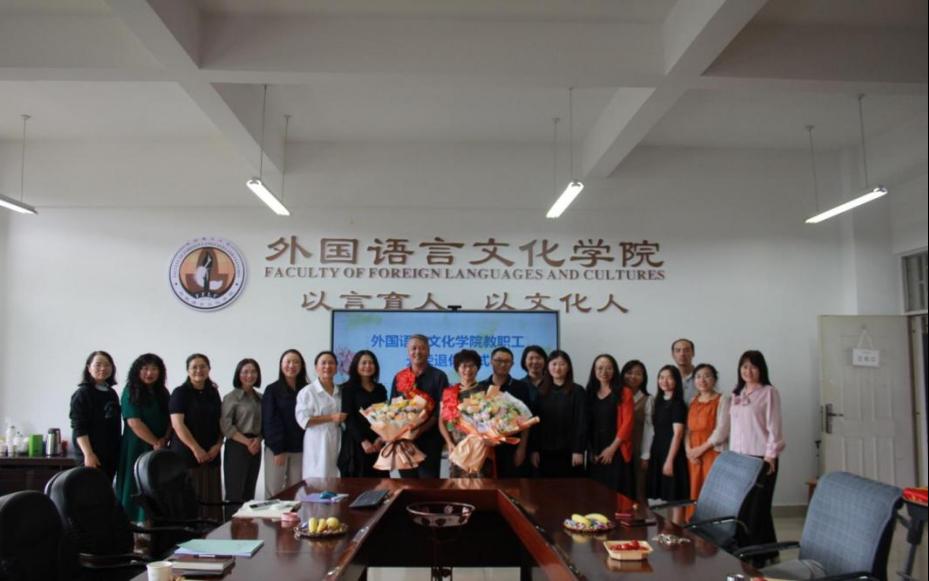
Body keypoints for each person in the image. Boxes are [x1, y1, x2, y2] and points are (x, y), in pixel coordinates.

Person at [729, 350, 785, 565]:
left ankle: (756, 557)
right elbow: (735, 429)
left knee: (756, 508)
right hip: (740, 458)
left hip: (762, 458)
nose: (748, 371)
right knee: (746, 507)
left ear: (761, 369)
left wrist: (770, 456)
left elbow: (774, 427)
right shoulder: (737, 393)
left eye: (753, 366)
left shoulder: (769, 392)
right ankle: (768, 552)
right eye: (744, 366)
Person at [115, 353, 170, 522]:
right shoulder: (130, 391)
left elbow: (171, 419)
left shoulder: (162, 392)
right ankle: (135, 527)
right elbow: (134, 422)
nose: (149, 373)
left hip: (159, 447)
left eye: (154, 369)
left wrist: (164, 439)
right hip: (137, 446)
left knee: (156, 486)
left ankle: (155, 526)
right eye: (145, 369)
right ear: (137, 371)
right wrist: (156, 442)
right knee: (135, 484)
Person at [168, 353, 222, 521]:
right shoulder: (180, 393)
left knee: (211, 497)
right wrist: (196, 448)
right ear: (188, 370)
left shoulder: (213, 392)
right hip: (187, 454)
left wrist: (218, 444)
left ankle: (211, 531)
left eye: (203, 366)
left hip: (212, 453)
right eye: (194, 367)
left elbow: (221, 421)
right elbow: (177, 424)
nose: (199, 370)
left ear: (209, 369)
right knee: (191, 498)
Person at [390, 334, 449, 478]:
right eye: (413, 348)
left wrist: (419, 430)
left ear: (428, 351)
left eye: (422, 348)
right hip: (404, 441)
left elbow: (439, 412)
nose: (417, 352)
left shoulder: (439, 376)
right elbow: (393, 408)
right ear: (408, 352)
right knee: (407, 483)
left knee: (429, 484)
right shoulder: (399, 377)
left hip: (430, 440)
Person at [530, 350, 586, 478]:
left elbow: (581, 422)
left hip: (570, 452)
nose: (557, 368)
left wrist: (578, 450)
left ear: (568, 367)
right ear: (548, 367)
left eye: (562, 364)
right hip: (544, 452)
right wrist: (534, 450)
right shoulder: (541, 391)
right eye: (554, 364)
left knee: (570, 488)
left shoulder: (577, 391)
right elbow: (535, 424)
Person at [478, 347, 532, 477]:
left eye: (507, 361)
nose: (503, 364)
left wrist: (522, 448)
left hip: (512, 446)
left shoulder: (521, 387)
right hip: (486, 447)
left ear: (512, 364)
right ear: (491, 361)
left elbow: (526, 421)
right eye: (498, 360)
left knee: (511, 485)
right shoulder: (481, 387)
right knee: (487, 484)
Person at [585, 354, 635, 498]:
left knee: (617, 495)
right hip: (596, 451)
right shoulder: (589, 393)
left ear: (615, 370)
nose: (604, 372)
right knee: (596, 495)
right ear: (594, 371)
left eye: (608, 368)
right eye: (600, 368)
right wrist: (590, 449)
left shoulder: (624, 392)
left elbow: (628, 423)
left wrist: (612, 449)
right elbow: (586, 424)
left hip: (617, 449)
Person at [262, 349, 308, 497]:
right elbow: (269, 420)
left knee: (296, 490)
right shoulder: (272, 390)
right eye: (288, 362)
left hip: (300, 448)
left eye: (296, 362)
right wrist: (277, 449)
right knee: (275, 492)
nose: (291, 365)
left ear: (302, 366)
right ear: (281, 365)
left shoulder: (307, 389)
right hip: (278, 450)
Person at [69, 351, 122, 481]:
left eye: (107, 365)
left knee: (105, 488)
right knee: (91, 489)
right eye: (98, 365)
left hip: (109, 454)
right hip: (91, 454)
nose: (103, 368)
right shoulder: (82, 394)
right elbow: (79, 428)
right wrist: (88, 454)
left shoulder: (111, 393)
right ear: (89, 368)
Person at [439, 349, 493, 477]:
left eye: (472, 366)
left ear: (477, 368)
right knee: (458, 484)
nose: (468, 370)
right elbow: (442, 422)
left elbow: (494, 420)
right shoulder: (449, 393)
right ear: (457, 369)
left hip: (480, 448)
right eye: (464, 366)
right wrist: (449, 442)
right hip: (457, 447)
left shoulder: (486, 391)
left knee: (482, 483)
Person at [641, 365, 689, 504]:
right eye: (661, 377)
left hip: (672, 454)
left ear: (676, 381)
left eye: (669, 377)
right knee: (664, 494)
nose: (664, 381)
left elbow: (678, 434)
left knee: (675, 497)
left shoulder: (678, 404)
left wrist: (669, 460)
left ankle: (676, 521)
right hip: (658, 452)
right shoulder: (658, 401)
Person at [221, 358, 263, 516]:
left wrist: (258, 440)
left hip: (256, 446)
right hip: (237, 446)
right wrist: (247, 442)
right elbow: (226, 426)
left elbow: (265, 423)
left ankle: (247, 528)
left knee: (249, 491)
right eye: (245, 372)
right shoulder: (231, 397)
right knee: (235, 493)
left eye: (253, 372)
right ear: (238, 374)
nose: (249, 375)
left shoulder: (261, 398)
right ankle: (230, 527)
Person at [295, 351, 346, 478]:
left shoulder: (340, 392)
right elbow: (304, 420)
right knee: (317, 478)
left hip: (337, 438)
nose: (327, 366)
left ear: (336, 368)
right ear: (316, 367)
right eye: (323, 363)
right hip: (317, 440)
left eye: (331, 363)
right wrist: (331, 417)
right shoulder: (307, 392)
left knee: (336, 478)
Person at [339, 350, 388, 478]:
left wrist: (380, 438)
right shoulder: (347, 388)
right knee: (357, 484)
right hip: (356, 443)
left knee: (381, 483)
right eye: (364, 363)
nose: (368, 366)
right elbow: (348, 418)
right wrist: (363, 441)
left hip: (378, 443)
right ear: (356, 365)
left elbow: (385, 416)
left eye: (371, 363)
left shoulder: (380, 389)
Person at [684, 363, 730, 501]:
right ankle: (693, 516)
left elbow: (722, 430)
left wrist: (700, 450)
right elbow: (687, 429)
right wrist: (689, 451)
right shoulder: (692, 400)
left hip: (712, 452)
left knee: (711, 490)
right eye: (698, 377)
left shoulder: (723, 399)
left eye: (707, 376)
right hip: (693, 454)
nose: (702, 380)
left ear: (714, 379)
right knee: (694, 489)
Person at [621, 359, 651, 502]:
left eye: (638, 373)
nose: (633, 376)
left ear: (643, 378)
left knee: (639, 490)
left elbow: (649, 430)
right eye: (629, 372)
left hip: (638, 450)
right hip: (619, 450)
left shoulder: (647, 399)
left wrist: (645, 455)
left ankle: (641, 516)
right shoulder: (616, 396)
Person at [671, 339, 697, 404]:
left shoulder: (703, 377)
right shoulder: (668, 378)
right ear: (673, 355)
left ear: (693, 353)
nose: (682, 354)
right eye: (678, 350)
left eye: (686, 350)